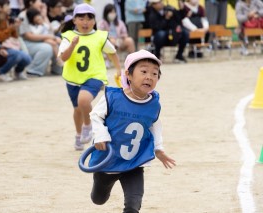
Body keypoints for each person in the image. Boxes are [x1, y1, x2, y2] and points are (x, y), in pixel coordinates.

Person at [88, 49, 176, 212]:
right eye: (143, 71)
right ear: (128, 74)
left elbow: (154, 124)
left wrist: (158, 148)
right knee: (98, 199)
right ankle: (100, 183)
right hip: (108, 160)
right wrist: (100, 135)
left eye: (155, 74)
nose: (149, 76)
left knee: (133, 205)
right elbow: (96, 116)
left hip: (134, 162)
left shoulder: (154, 104)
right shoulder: (112, 97)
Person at [58, 3, 122, 150]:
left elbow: (112, 53)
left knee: (83, 100)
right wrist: (72, 45)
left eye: (89, 18)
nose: (85, 22)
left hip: (95, 75)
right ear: (74, 20)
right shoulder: (68, 37)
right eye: (81, 18)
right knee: (78, 109)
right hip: (73, 78)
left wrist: (119, 69)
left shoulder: (100, 36)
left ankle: (88, 126)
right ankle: (78, 135)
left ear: (94, 21)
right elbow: (64, 58)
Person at [0, 0, 31, 82]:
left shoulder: (8, 19)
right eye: (7, 6)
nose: (9, 8)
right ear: (0, 8)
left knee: (27, 58)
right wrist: (10, 29)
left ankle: (18, 72)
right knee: (16, 55)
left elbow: (15, 36)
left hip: (7, 46)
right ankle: (0, 72)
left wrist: (16, 27)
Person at [18, 0, 62, 76]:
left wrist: (44, 16)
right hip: (27, 43)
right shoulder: (23, 15)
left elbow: (50, 31)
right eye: (39, 1)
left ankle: (58, 69)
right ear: (31, 2)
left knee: (58, 44)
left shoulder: (39, 13)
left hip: (40, 40)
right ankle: (33, 70)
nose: (41, 4)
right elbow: (28, 36)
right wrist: (48, 37)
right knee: (47, 48)